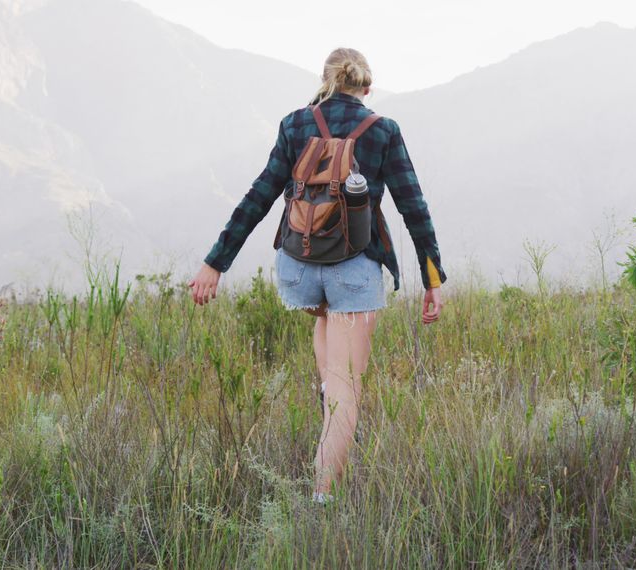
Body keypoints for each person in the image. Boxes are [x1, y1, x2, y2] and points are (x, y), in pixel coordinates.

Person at [188, 47, 446, 504]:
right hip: (354, 270)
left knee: (328, 327)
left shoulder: (295, 124)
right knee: (348, 390)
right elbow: (413, 206)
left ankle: (330, 393)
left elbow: (261, 195)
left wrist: (215, 262)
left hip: (297, 273)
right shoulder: (383, 130)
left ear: (325, 80)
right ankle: (323, 498)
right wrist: (432, 278)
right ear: (367, 87)